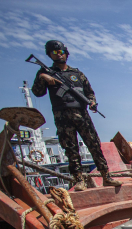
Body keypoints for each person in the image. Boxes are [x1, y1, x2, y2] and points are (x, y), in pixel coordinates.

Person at [31, 40, 120, 191]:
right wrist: (42, 78)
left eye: (61, 52)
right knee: (71, 149)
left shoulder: (77, 74)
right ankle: (79, 180)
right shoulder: (45, 73)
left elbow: (89, 92)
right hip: (62, 117)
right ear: (50, 55)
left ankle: (106, 176)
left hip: (82, 115)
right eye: (54, 53)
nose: (59, 55)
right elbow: (37, 92)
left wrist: (92, 102)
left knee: (94, 145)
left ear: (66, 53)